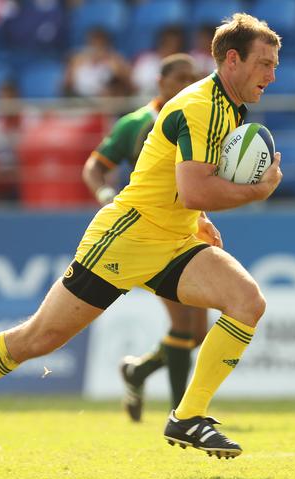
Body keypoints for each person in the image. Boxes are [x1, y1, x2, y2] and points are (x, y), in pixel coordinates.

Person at [0, 13, 282, 477]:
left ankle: (187, 416)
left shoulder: (232, 108)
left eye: (274, 64)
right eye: (265, 63)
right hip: (126, 236)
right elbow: (194, 189)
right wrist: (255, 191)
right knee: (39, 338)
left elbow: (183, 183)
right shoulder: (201, 106)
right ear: (232, 60)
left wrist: (199, 221)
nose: (272, 74)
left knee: (247, 302)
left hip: (173, 239)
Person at [82, 53, 215, 422]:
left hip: (189, 226)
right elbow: (95, 166)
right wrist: (105, 196)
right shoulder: (136, 123)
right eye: (180, 78)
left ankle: (137, 371)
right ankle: (182, 415)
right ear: (161, 83)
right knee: (183, 323)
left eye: (194, 78)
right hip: (149, 232)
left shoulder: (200, 119)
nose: (188, 84)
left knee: (198, 332)